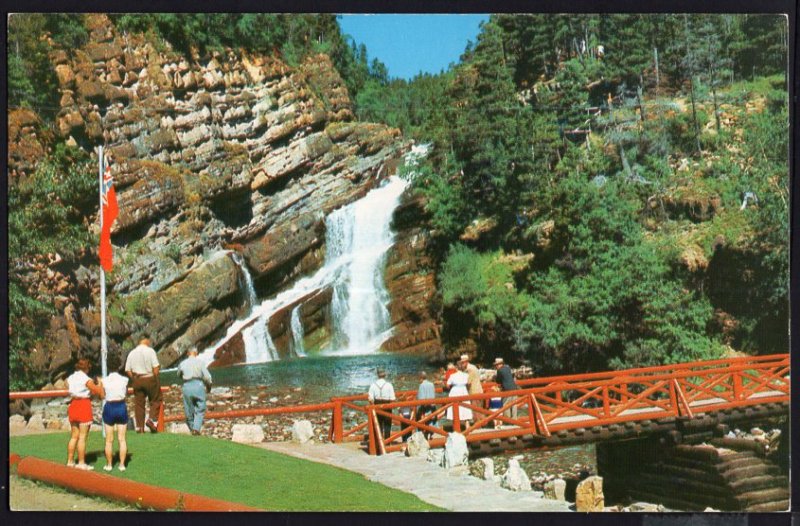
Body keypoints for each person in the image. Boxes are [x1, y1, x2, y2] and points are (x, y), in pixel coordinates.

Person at [66, 359, 104, 470]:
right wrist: (100, 383)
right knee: (82, 437)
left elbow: (67, 385)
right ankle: (81, 463)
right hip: (83, 405)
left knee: (74, 436)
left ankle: (70, 461)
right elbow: (98, 391)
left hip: (73, 404)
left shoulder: (71, 377)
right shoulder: (86, 379)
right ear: (87, 367)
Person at [125, 338, 162, 433]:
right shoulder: (150, 351)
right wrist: (155, 378)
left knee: (139, 404)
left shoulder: (132, 353)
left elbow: (127, 369)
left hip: (137, 379)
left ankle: (140, 428)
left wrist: (133, 378)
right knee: (156, 400)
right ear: (147, 341)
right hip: (149, 377)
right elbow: (156, 367)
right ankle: (152, 420)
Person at [178, 347, 213, 436]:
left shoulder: (182, 363)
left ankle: (192, 428)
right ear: (196, 353)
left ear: (187, 353)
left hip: (187, 386)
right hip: (198, 385)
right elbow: (208, 377)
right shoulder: (200, 363)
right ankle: (196, 429)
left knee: (188, 409)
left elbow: (178, 374)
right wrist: (209, 386)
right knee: (200, 408)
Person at [101, 364, 130, 471]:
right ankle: (122, 465)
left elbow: (102, 395)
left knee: (109, 440)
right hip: (121, 406)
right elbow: (125, 393)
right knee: (122, 439)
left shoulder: (104, 381)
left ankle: (109, 465)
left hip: (109, 407)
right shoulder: (124, 380)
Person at [367, 369, 396, 443]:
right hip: (387, 406)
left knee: (378, 425)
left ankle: (378, 444)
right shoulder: (389, 385)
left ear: (377, 375)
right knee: (387, 426)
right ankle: (387, 443)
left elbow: (370, 399)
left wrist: (373, 405)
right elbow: (393, 399)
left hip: (377, 406)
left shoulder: (373, 385)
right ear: (385, 374)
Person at [416, 371, 437, 438]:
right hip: (432, 406)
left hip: (425, 407)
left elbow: (421, 399)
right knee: (430, 421)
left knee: (421, 421)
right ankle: (430, 433)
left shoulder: (422, 385)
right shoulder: (431, 384)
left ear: (420, 378)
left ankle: (424, 435)